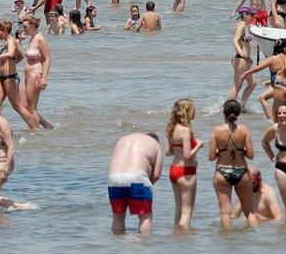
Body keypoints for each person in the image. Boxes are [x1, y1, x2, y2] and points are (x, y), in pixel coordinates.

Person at [209, 99, 258, 228]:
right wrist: (240, 151)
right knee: (250, 213)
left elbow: (211, 157)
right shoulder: (244, 130)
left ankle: (227, 240)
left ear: (223, 112)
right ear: (238, 113)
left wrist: (222, 151)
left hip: (222, 171)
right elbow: (251, 155)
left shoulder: (216, 131)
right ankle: (257, 242)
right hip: (241, 171)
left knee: (225, 213)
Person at [0, 19, 39, 130]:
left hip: (10, 78)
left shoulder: (11, 40)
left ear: (5, 31)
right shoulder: (6, 41)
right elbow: (19, 56)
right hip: (1, 77)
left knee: (17, 106)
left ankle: (34, 129)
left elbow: (11, 53)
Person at [108, 132, 163, 234]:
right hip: (137, 179)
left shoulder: (123, 139)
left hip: (114, 179)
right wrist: (148, 185)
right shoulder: (156, 145)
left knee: (118, 217)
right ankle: (143, 246)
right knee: (145, 217)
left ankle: (117, 246)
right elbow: (156, 175)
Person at [165, 99, 201, 230]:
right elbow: (187, 155)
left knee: (179, 207)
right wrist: (198, 146)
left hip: (174, 170)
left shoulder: (171, 128)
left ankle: (176, 236)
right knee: (187, 211)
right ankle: (185, 239)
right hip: (186, 171)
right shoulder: (185, 130)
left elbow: (168, 152)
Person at [241, 38, 286, 121]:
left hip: (279, 86)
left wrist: (246, 73)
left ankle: (272, 123)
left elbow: (258, 68)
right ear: (284, 49)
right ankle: (285, 127)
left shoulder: (272, 59)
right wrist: (271, 81)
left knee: (276, 112)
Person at [21, 17, 53, 129]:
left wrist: (44, 78)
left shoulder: (40, 39)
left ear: (32, 26)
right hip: (27, 75)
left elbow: (47, 59)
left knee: (31, 107)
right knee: (23, 105)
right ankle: (45, 125)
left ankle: (35, 131)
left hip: (36, 75)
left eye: (25, 26)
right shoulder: (31, 38)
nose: (23, 28)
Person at [228, 6, 256, 111]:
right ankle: (229, 108)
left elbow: (244, 43)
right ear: (244, 15)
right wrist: (240, 52)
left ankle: (242, 105)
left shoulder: (245, 26)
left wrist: (248, 57)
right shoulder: (241, 25)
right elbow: (235, 40)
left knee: (252, 83)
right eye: (251, 15)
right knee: (238, 85)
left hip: (245, 60)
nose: (253, 17)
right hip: (240, 59)